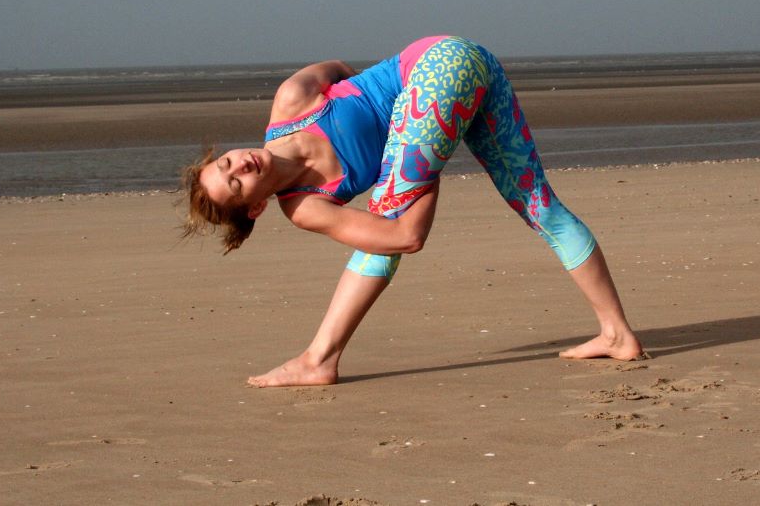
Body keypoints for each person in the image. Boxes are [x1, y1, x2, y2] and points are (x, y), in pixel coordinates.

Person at [181, 35, 644, 387]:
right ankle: (616, 334)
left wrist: (414, 146)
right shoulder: (305, 207)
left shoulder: (291, 101)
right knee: (538, 207)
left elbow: (342, 70)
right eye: (236, 184)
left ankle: (319, 359)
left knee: (388, 206)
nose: (241, 164)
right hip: (471, 72)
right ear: (256, 207)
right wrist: (421, 156)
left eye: (227, 163)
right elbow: (404, 237)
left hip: (440, 59)